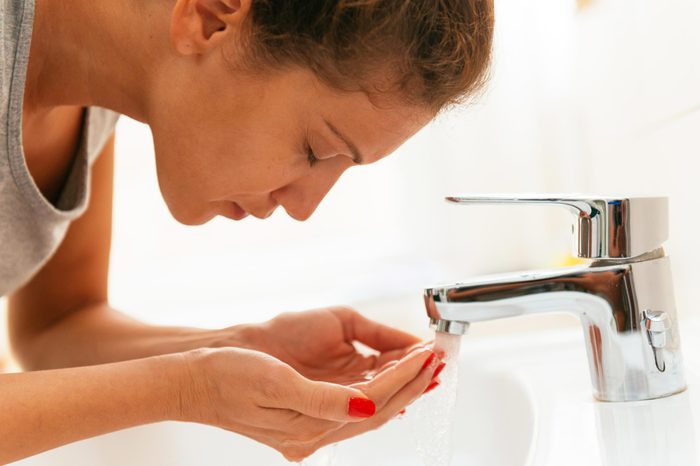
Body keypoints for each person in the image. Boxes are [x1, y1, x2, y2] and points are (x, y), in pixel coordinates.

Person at [0, 0, 493, 462]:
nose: (305, 209)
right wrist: (187, 389)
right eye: (315, 150)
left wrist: (236, 344)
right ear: (210, 16)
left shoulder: (94, 89)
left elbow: (56, 327)